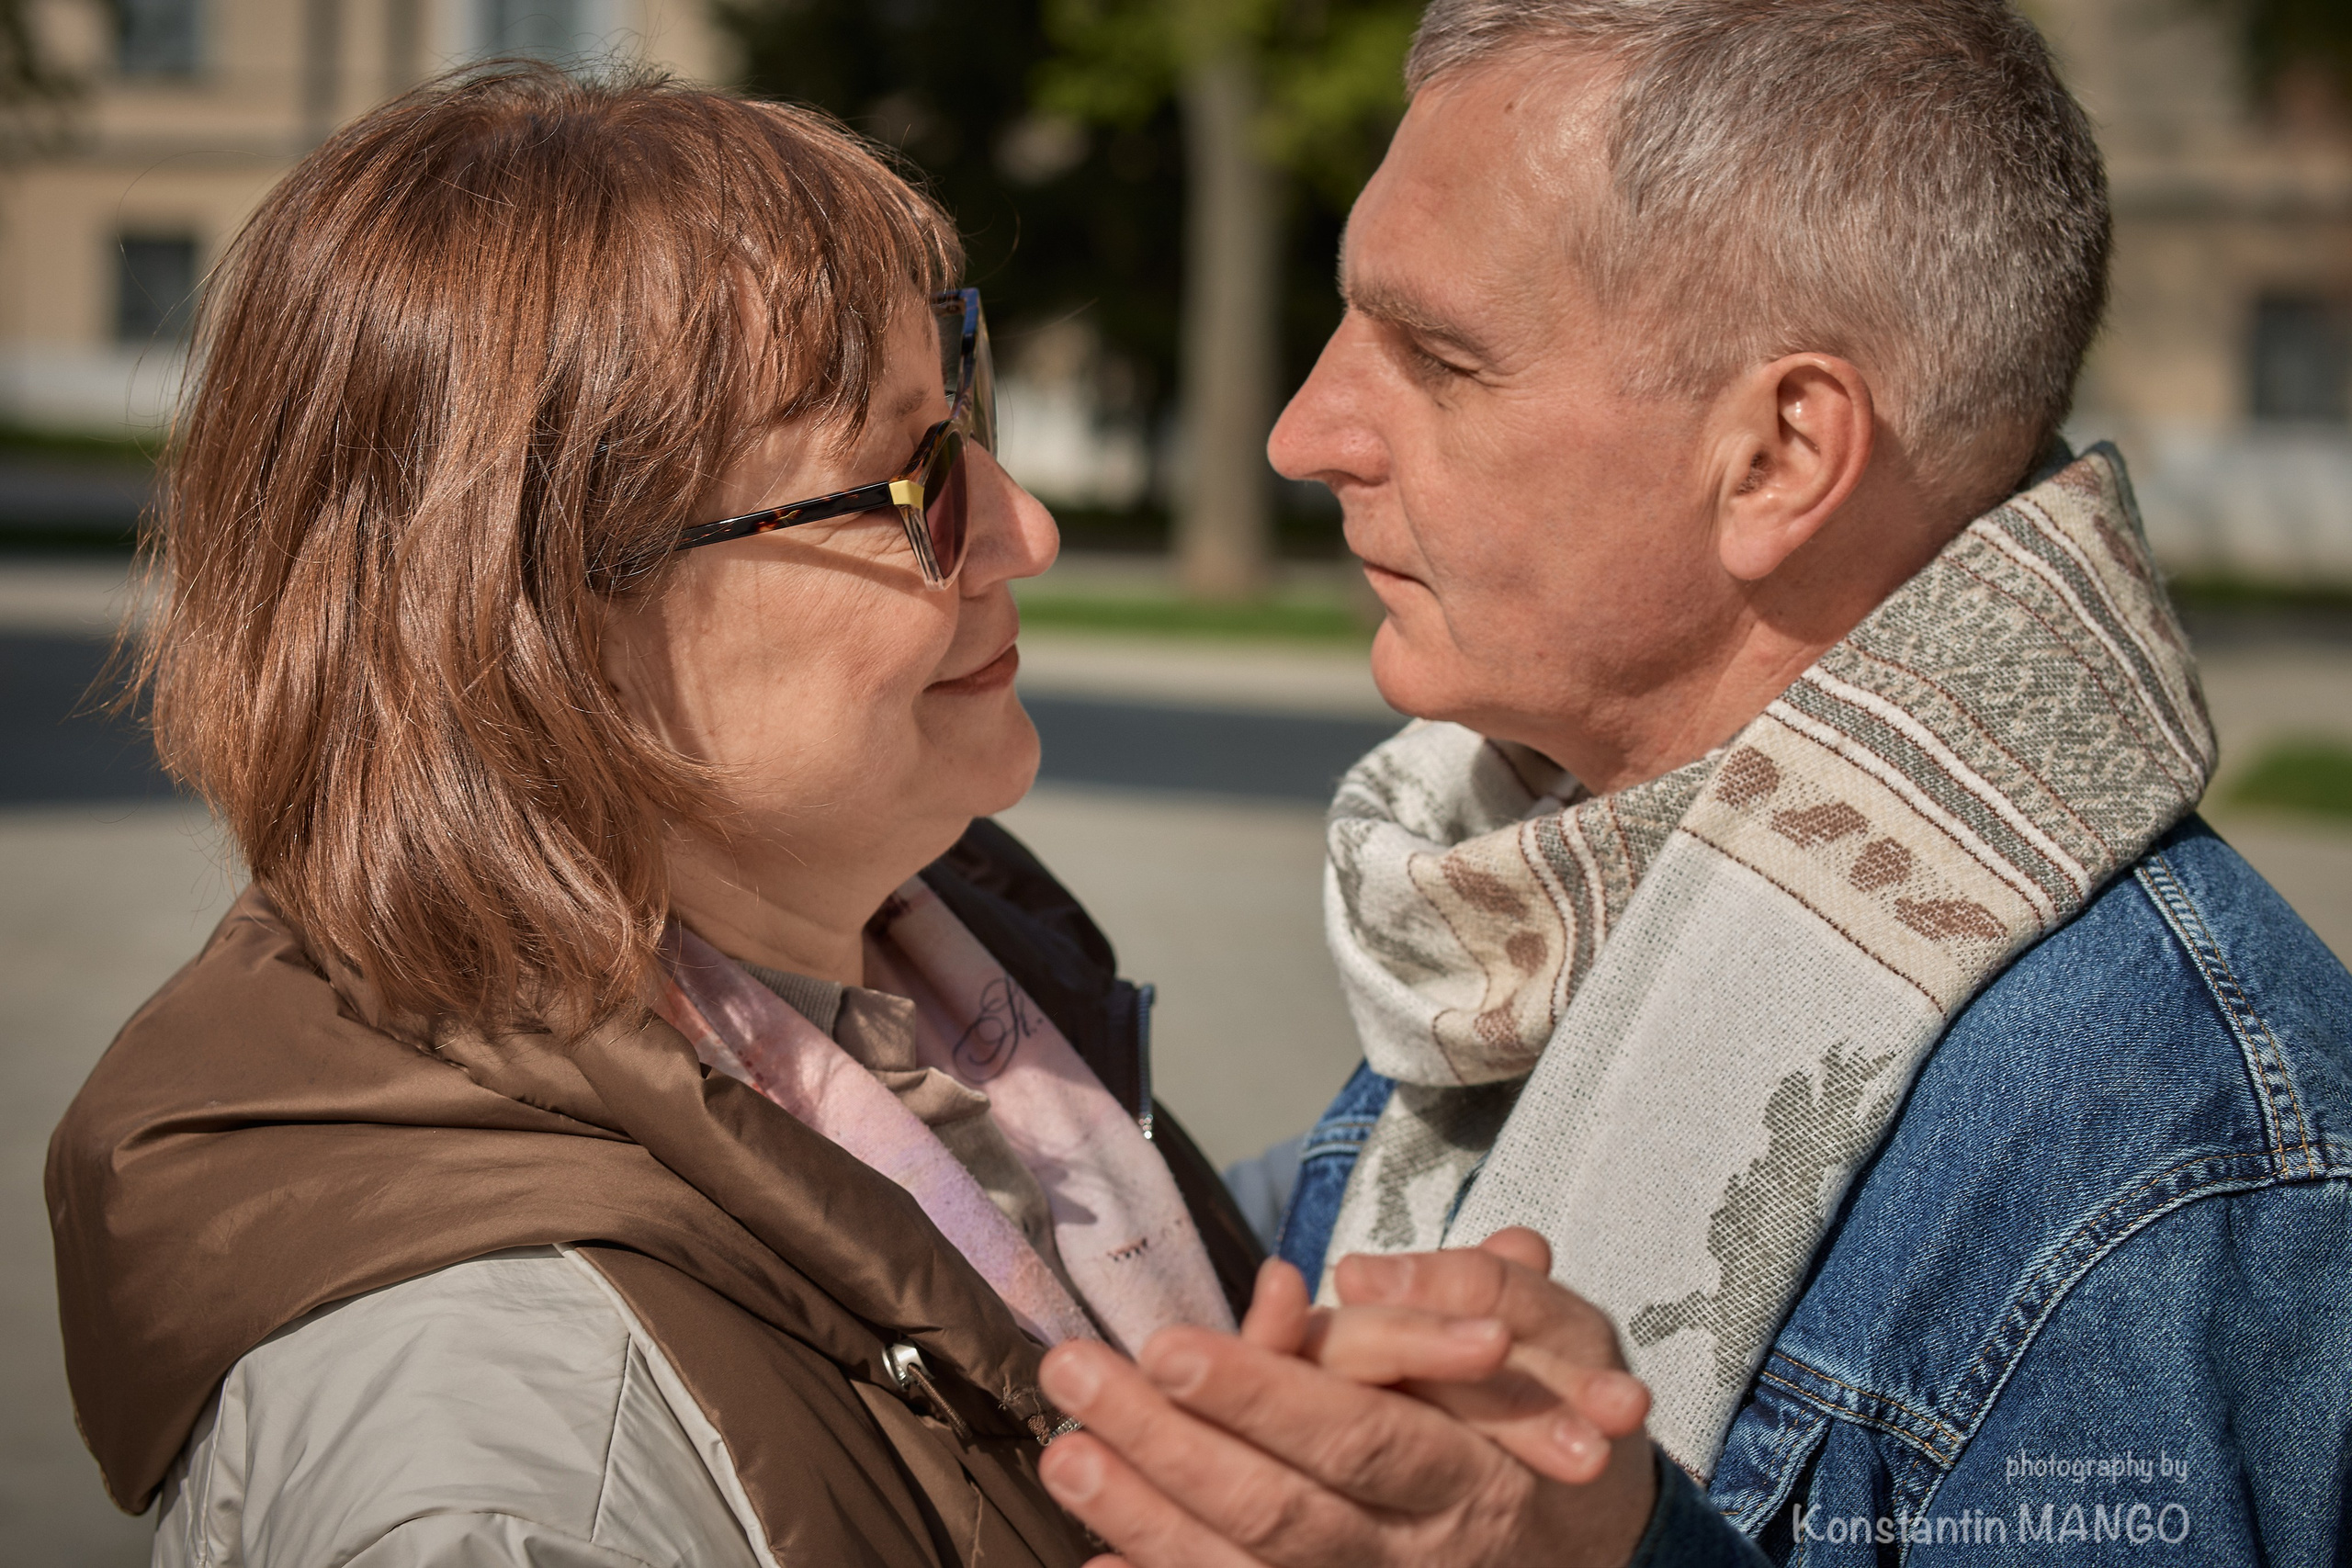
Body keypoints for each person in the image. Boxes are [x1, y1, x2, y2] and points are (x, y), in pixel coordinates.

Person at [1022, 3, 2352, 1564]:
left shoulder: (2160, 1164)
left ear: (1781, 458)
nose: (1305, 432)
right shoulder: (1530, 907)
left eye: (1439, 358)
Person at [46, 65, 1268, 1566]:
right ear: (544, 628)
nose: (1027, 527)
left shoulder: (956, 992)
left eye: (968, 420)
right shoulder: (513, 1477)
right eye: (906, 478)